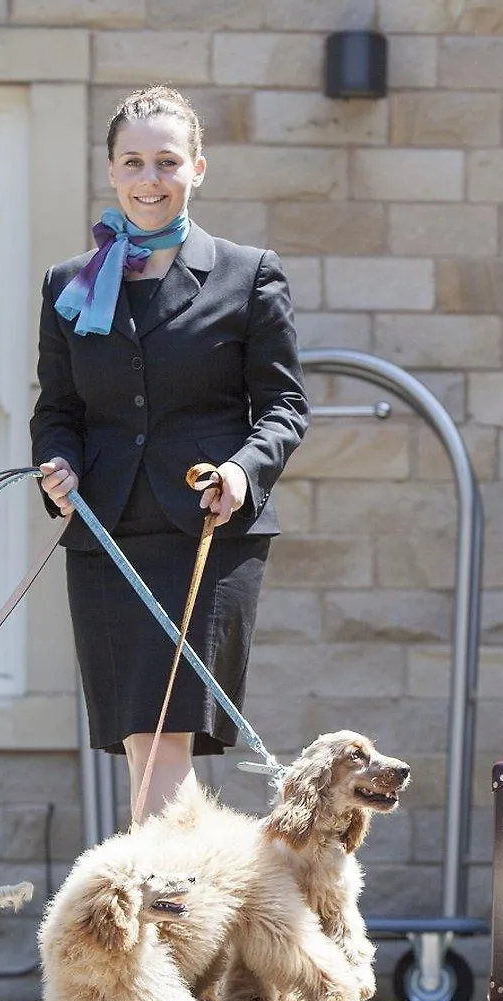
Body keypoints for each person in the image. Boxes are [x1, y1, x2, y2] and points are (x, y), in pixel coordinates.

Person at [32, 86, 308, 827]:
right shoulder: (70, 285)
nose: (149, 179)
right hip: (106, 532)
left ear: (198, 168)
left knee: (166, 736)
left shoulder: (248, 274)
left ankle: (163, 915)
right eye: (133, 162)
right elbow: (58, 411)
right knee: (139, 738)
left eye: (167, 161)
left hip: (208, 531)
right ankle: (166, 914)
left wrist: (242, 472)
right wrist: (56, 468)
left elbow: (284, 407)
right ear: (112, 171)